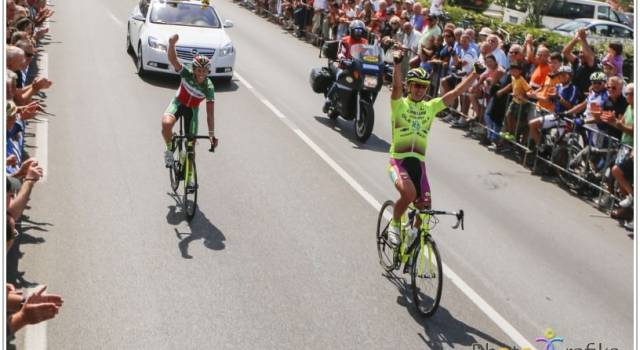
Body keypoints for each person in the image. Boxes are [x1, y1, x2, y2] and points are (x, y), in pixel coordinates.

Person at [385, 49, 484, 246]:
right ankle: (394, 224)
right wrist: (397, 63)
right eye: (415, 86)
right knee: (409, 194)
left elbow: (455, 93)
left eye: (423, 87)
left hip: (419, 165)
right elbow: (396, 87)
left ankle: (412, 235)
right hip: (399, 161)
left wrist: (475, 74)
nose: (419, 90)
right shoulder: (399, 105)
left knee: (426, 208)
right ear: (409, 87)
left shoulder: (430, 108)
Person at [161, 34, 218, 185]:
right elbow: (173, 60)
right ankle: (169, 148)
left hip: (192, 111)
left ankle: (189, 177)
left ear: (208, 72)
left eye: (204, 71)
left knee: (191, 146)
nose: (201, 74)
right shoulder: (186, 73)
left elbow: (210, 114)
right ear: (193, 69)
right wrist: (172, 45)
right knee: (166, 124)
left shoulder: (209, 86)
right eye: (199, 70)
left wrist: (211, 134)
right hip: (178, 104)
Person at [323, 20, 369, 112]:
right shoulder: (345, 40)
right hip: (345, 66)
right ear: (351, 30)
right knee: (340, 77)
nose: (358, 33)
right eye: (356, 30)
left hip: (358, 68)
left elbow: (368, 53)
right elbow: (340, 51)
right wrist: (342, 57)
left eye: (360, 31)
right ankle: (328, 100)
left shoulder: (365, 42)